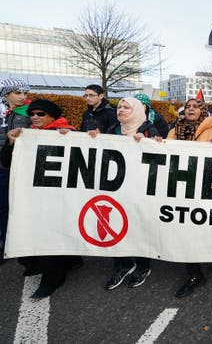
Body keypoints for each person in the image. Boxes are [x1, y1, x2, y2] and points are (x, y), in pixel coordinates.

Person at [1, 99, 80, 298]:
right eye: (32, 114)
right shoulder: (26, 135)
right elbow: (7, 162)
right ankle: (68, 261)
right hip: (34, 195)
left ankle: (53, 277)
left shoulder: (69, 133)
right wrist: (11, 143)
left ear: (53, 116)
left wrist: (82, 138)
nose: (35, 117)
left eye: (40, 114)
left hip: (58, 197)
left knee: (52, 234)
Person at [90, 97, 162, 290]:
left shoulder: (149, 129)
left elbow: (160, 156)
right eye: (119, 106)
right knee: (115, 224)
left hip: (141, 190)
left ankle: (143, 266)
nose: (120, 109)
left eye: (126, 107)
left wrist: (150, 143)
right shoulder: (113, 129)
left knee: (140, 226)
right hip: (116, 188)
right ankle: (122, 264)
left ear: (138, 110)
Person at [166, 98, 212, 297]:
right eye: (188, 106)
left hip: (207, 190)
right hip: (182, 189)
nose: (190, 109)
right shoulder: (173, 131)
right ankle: (194, 274)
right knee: (186, 231)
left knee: (210, 228)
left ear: (203, 111)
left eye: (196, 106)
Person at [0, 77, 31, 263]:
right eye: (18, 93)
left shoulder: (29, 113)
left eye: (25, 93)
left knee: (9, 206)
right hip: (3, 165)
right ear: (6, 94)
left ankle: (10, 244)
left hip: (16, 167)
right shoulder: (5, 113)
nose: (22, 97)